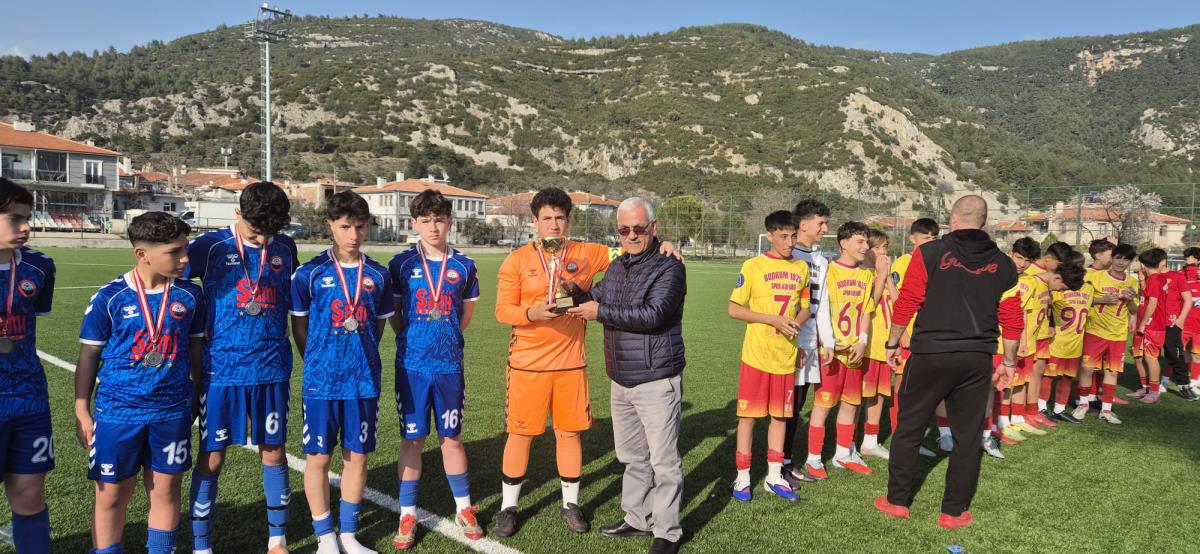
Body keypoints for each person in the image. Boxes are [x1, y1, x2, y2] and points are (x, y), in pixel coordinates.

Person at [491, 187, 680, 537]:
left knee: (569, 433)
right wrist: (532, 313)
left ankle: (571, 504)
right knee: (520, 434)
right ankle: (508, 507)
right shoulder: (516, 260)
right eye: (546, 218)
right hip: (527, 364)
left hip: (571, 363)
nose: (553, 225)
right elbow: (502, 310)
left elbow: (632, 244)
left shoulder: (588, 253)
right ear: (534, 221)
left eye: (560, 218)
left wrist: (665, 242)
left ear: (569, 220)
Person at [874, 195, 1021, 530]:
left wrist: (893, 342)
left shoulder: (929, 252)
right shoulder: (1004, 264)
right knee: (968, 436)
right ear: (984, 222)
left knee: (910, 427)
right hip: (976, 358)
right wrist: (1010, 362)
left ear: (953, 219)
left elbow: (908, 300)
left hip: (930, 353)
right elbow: (1012, 319)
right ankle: (953, 512)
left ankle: (897, 502)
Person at [75, 212, 206, 553]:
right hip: (118, 412)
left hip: (171, 410)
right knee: (112, 494)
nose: (185, 258)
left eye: (185, 248)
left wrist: (197, 393)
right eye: (175, 251)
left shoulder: (191, 295)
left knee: (166, 491)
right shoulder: (110, 298)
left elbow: (196, 350)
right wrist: (82, 409)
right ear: (142, 254)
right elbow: (89, 355)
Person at [185, 182, 299, 554]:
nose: (263, 240)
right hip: (221, 370)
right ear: (238, 214)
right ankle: (202, 546)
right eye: (255, 232)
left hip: (271, 368)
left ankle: (277, 540)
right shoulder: (209, 247)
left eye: (270, 232)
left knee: (274, 451)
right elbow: (177, 289)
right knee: (212, 457)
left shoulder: (286, 247)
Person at [569, 197, 687, 554]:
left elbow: (654, 315)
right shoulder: (618, 266)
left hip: (656, 377)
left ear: (653, 227)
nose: (632, 235)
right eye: (624, 229)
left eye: (638, 228)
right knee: (633, 457)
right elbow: (594, 297)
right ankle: (638, 517)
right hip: (621, 377)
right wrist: (570, 290)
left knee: (664, 462)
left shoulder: (669, 266)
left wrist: (600, 311)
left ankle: (667, 532)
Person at [290, 191, 393, 554]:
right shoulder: (309, 273)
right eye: (346, 227)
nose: (354, 235)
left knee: (357, 457)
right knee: (318, 459)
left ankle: (348, 535)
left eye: (360, 227)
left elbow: (378, 327)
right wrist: (317, 360)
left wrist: (358, 357)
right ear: (330, 226)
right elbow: (299, 325)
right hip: (321, 383)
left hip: (363, 382)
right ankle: (325, 538)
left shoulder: (379, 275)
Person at [389, 190, 483, 550]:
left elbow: (465, 317)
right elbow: (396, 314)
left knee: (452, 437)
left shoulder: (464, 266)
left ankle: (464, 508)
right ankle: (407, 514)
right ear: (414, 223)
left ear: (450, 222)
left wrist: (445, 338)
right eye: (426, 220)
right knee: (412, 439)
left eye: (439, 220)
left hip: (449, 366)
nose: (433, 227)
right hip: (411, 366)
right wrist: (413, 339)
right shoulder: (401, 264)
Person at [727, 210, 811, 502]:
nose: (790, 242)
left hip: (785, 356)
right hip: (757, 356)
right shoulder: (753, 266)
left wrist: (795, 325)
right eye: (783, 236)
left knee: (780, 416)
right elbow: (734, 309)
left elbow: (805, 308)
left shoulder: (801, 267)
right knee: (748, 418)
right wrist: (772, 320)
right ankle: (742, 477)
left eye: (793, 236)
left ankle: (774, 476)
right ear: (770, 235)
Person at [0, 178, 56, 554]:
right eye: (15, 219)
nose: (26, 227)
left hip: (29, 397)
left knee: (29, 493)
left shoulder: (40, 266)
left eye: (28, 218)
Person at [803, 221, 875, 479]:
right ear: (843, 243)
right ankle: (813, 457)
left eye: (867, 242)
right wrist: (828, 341)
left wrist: (863, 340)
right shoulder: (828, 271)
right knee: (822, 405)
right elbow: (819, 312)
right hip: (831, 353)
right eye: (860, 242)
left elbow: (866, 311)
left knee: (851, 404)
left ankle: (843, 454)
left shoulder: (866, 275)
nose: (865, 247)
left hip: (855, 351)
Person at [889, 218, 946, 457]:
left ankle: (931, 435)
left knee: (930, 387)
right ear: (912, 239)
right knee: (905, 387)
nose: (930, 243)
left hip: (930, 335)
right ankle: (900, 435)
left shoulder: (939, 262)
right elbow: (896, 298)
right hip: (910, 336)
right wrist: (903, 334)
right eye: (925, 238)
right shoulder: (903, 262)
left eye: (933, 239)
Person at [782, 199, 830, 483]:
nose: (825, 229)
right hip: (791, 342)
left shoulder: (821, 261)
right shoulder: (789, 258)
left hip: (811, 342)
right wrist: (796, 341)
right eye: (821, 223)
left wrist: (827, 341)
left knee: (797, 404)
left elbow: (821, 305)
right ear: (803, 224)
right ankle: (780, 463)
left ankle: (785, 461)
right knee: (787, 405)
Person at [1073, 244, 1138, 424]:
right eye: (1118, 258)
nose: (1121, 262)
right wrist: (1103, 299)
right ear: (1112, 258)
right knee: (1087, 368)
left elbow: (1134, 310)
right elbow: (1081, 298)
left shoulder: (1132, 282)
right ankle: (1083, 404)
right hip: (1095, 330)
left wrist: (1130, 300)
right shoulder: (1095, 276)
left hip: (1118, 334)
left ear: (1130, 262)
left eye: (1126, 259)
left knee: (1112, 371)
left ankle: (1106, 410)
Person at [1026, 242, 1072, 430]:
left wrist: (1051, 322)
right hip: (1028, 334)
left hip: (1043, 330)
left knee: (1038, 371)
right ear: (1048, 258)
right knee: (1023, 375)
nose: (1059, 270)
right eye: (1058, 265)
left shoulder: (1051, 277)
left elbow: (1050, 303)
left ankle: (1033, 410)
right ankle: (1018, 413)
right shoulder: (1028, 274)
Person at [1045, 251, 1092, 423]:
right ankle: (1041, 408)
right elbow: (1047, 308)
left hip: (1075, 343)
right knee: (1048, 376)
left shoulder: (1088, 287)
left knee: (1067, 377)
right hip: (1056, 342)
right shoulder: (1057, 288)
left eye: (1080, 266)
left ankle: (1060, 409)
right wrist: (1050, 324)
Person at [860, 229, 895, 460]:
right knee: (860, 395)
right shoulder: (863, 274)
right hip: (868, 344)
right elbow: (871, 302)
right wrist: (882, 275)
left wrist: (888, 277)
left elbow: (898, 303)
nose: (883, 252)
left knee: (880, 393)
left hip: (884, 344)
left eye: (885, 247)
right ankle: (846, 443)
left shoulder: (886, 274)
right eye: (878, 247)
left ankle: (870, 441)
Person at [1132, 248, 1177, 404]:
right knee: (1141, 356)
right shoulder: (1158, 278)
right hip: (1153, 324)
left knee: (1151, 358)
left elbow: (1152, 302)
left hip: (1153, 325)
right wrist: (1142, 281)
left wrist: (1143, 323)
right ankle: (1146, 388)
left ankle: (1154, 392)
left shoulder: (1155, 279)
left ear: (1143, 265)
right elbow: (1147, 296)